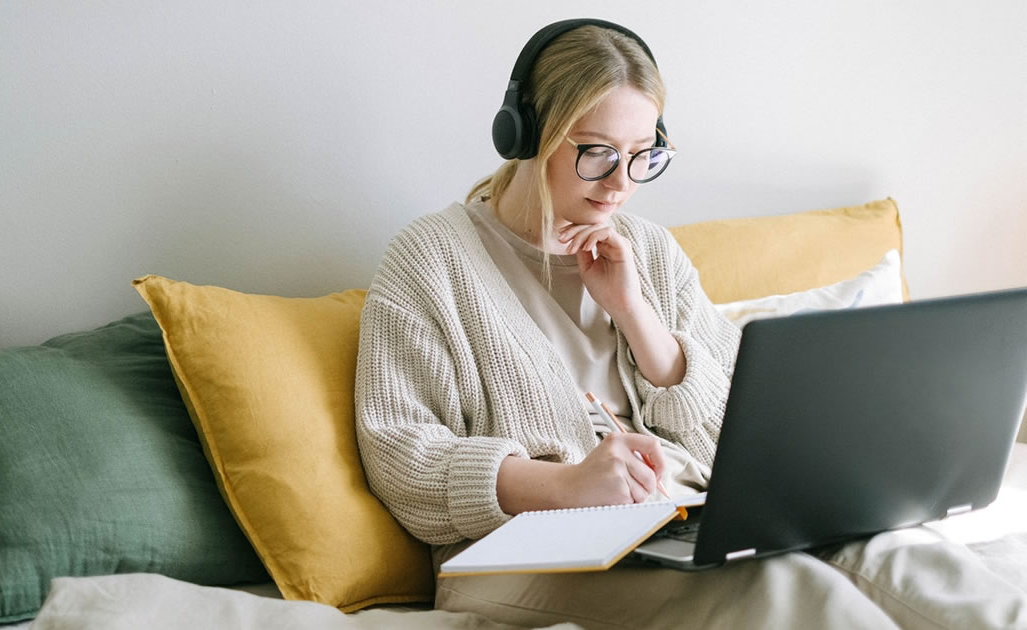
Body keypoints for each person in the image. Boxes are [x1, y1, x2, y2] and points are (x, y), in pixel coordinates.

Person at [354, 19, 1026, 629]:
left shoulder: (646, 250)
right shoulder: (431, 260)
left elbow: (740, 426)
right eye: (595, 152)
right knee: (791, 592)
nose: (620, 183)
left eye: (642, 154)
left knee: (905, 559)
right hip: (515, 559)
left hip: (680, 521)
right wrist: (564, 485)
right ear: (528, 135)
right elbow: (401, 457)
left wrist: (637, 316)